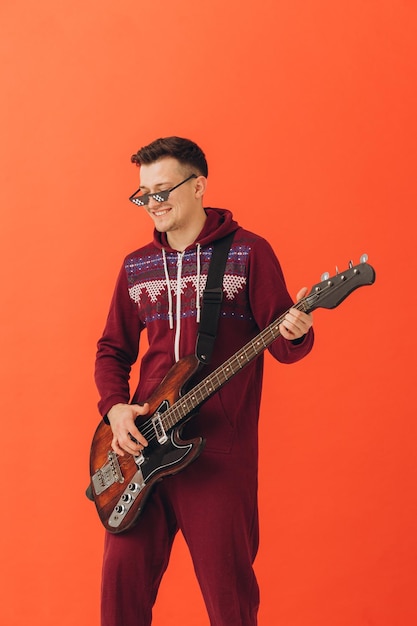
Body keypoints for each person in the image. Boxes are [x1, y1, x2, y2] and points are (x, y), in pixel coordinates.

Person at [94, 136, 314, 626]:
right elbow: (111, 350)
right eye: (143, 194)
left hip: (218, 455)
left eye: (163, 189)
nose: (153, 203)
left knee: (229, 602)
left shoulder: (249, 253)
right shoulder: (137, 266)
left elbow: (280, 341)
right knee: (119, 596)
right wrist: (116, 408)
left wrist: (297, 331)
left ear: (199, 186)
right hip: (143, 451)